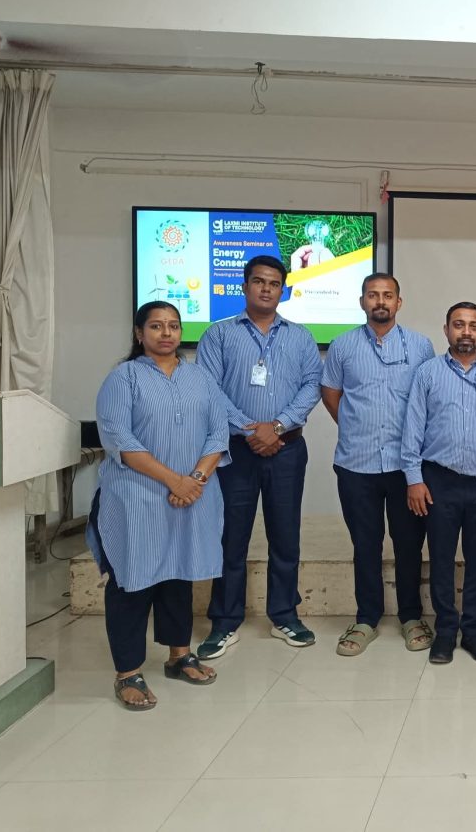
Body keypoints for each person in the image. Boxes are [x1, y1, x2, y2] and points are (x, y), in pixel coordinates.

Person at [89, 301, 227, 709]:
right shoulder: (123, 378)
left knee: (178, 574)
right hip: (136, 498)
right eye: (156, 326)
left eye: (173, 325)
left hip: (191, 497)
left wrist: (195, 480)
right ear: (139, 333)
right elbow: (120, 441)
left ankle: (179, 655)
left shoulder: (200, 378)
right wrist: (175, 481)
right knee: (132, 580)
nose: (166, 333)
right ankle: (127, 672)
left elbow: (218, 433)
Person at [195, 255, 322, 658]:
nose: (266, 288)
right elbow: (208, 388)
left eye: (274, 283)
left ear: (283, 290)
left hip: (287, 449)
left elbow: (312, 386)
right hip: (236, 450)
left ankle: (284, 615)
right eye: (259, 281)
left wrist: (277, 426)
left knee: (285, 534)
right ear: (244, 286)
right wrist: (250, 430)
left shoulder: (301, 337)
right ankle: (225, 621)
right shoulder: (218, 334)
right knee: (231, 536)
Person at [321, 273, 437, 656]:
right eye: (373, 295)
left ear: (399, 302)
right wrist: (356, 426)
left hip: (407, 467)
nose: (380, 301)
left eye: (388, 295)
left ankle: (411, 616)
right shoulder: (342, 346)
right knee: (365, 544)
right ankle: (367, 618)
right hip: (357, 464)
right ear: (362, 302)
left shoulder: (420, 346)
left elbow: (429, 399)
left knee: (409, 544)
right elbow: (331, 393)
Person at [401, 302, 476, 664]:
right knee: (440, 558)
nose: (466, 332)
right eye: (458, 324)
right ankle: (445, 631)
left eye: (473, 325)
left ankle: (473, 630)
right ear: (446, 330)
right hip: (438, 481)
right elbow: (412, 428)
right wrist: (414, 479)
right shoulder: (427, 374)